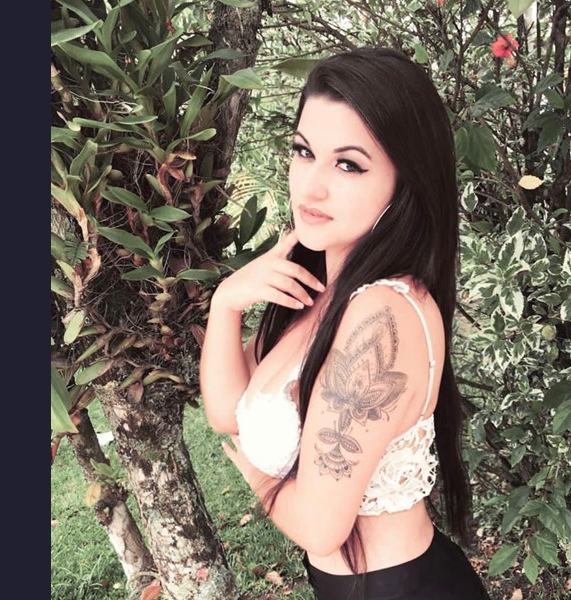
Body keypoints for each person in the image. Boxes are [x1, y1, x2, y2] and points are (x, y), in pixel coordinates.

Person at [200, 47, 489, 600]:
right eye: (304, 152)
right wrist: (226, 303)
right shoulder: (318, 288)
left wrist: (252, 472)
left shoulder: (382, 315)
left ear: (406, 180)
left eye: (348, 164)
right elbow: (227, 410)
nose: (311, 186)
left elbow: (318, 527)